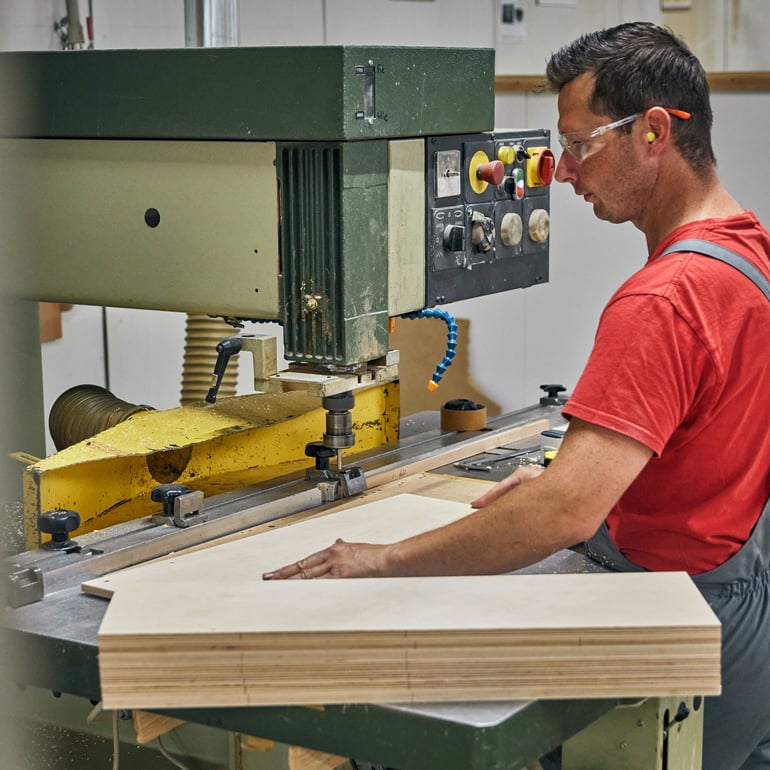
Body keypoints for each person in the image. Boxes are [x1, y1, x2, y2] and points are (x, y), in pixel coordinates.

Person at [264, 22, 770, 770]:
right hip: (738, 596)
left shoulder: (663, 299)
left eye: (580, 144)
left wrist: (385, 561)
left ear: (656, 131)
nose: (562, 173)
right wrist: (599, 486)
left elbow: (565, 513)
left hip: (675, 617)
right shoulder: (744, 248)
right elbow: (715, 432)